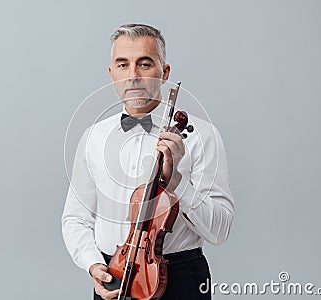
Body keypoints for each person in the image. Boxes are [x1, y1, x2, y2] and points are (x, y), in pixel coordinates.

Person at [62, 24, 234, 300]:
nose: (133, 76)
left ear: (164, 73)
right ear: (111, 74)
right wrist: (93, 264)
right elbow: (76, 218)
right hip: (114, 273)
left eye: (144, 64)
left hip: (179, 277)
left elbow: (220, 230)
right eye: (122, 64)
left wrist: (177, 181)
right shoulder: (93, 136)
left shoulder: (202, 135)